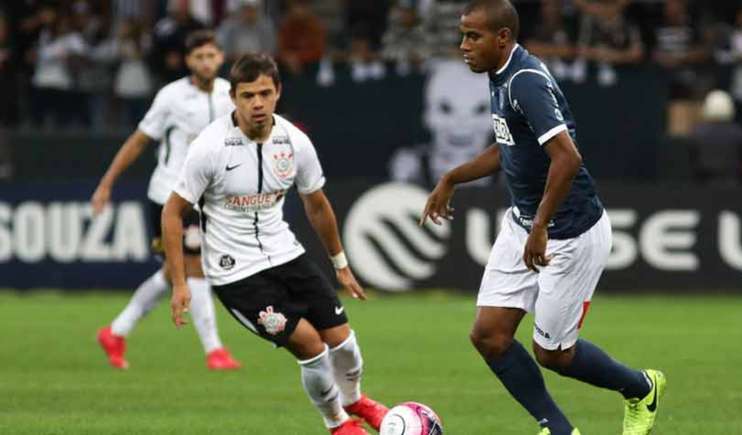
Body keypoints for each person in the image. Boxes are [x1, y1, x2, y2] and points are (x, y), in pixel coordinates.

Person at [421, 2, 665, 434]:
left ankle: (641, 388)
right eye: (462, 35)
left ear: (502, 37)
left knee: (553, 354)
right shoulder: (501, 74)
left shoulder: (525, 81)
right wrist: (453, 177)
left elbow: (567, 158)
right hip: (525, 223)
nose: (463, 46)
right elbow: (510, 144)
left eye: (472, 36)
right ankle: (557, 428)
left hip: (569, 232)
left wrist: (541, 228)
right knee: (489, 336)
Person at [162, 53, 388, 435]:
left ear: (278, 92)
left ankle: (355, 401)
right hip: (237, 274)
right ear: (232, 98)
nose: (257, 104)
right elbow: (172, 212)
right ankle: (338, 424)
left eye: (265, 93)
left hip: (286, 254)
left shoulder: (295, 141)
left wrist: (341, 263)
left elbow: (316, 204)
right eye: (248, 95)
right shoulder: (210, 147)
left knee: (343, 341)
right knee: (312, 347)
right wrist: (181, 282)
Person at [92, 30, 240, 371]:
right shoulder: (171, 97)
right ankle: (214, 350)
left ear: (220, 57)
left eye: (211, 55)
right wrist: (106, 184)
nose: (206, 62)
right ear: (188, 61)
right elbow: (139, 141)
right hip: (169, 196)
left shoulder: (228, 95)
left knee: (173, 272)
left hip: (209, 198)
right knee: (194, 268)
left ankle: (116, 331)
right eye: (198, 56)